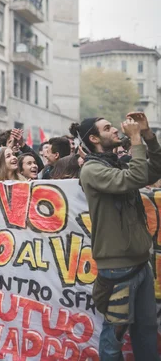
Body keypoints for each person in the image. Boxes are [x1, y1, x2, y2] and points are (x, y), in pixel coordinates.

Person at [71, 113, 161, 361]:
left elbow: (152, 171)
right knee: (115, 335)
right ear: (94, 138)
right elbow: (133, 179)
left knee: (146, 330)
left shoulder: (115, 163)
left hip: (141, 262)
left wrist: (147, 136)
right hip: (118, 268)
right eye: (107, 128)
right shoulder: (91, 170)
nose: (114, 130)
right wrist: (135, 141)